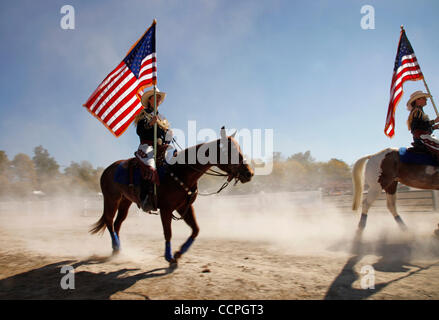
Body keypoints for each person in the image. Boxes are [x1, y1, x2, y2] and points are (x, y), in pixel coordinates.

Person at [134, 88, 172, 211]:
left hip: (161, 147)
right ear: (149, 100)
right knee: (150, 166)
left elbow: (164, 135)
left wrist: (168, 136)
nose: (158, 99)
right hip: (147, 146)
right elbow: (139, 131)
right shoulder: (143, 114)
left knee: (176, 160)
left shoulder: (162, 118)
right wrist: (150, 124)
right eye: (155, 97)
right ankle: (145, 198)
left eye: (159, 98)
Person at [407, 90, 439, 158]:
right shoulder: (417, 111)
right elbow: (418, 126)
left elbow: (424, 127)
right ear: (417, 100)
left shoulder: (419, 111)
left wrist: (434, 127)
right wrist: (434, 121)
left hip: (423, 137)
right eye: (424, 98)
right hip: (421, 138)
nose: (426, 100)